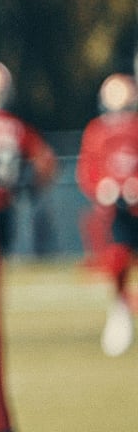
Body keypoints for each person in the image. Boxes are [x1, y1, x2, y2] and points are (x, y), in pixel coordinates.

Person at [76, 72, 138, 356]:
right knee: (117, 259)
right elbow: (87, 169)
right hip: (116, 210)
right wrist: (103, 187)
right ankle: (121, 310)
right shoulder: (97, 130)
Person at [0, 59, 58, 256]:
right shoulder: (16, 127)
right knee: (1, 257)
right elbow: (46, 162)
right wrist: (31, 185)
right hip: (5, 199)